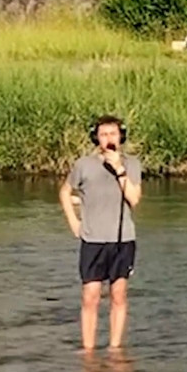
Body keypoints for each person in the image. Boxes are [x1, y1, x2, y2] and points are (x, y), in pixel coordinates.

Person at [59, 115, 142, 351]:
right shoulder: (83, 165)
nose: (108, 139)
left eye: (113, 134)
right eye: (104, 134)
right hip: (93, 239)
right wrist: (74, 223)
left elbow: (134, 199)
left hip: (122, 239)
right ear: (96, 137)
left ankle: (115, 348)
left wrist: (119, 169)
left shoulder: (132, 164)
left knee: (118, 295)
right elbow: (65, 192)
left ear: (121, 136)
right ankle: (88, 349)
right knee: (90, 296)